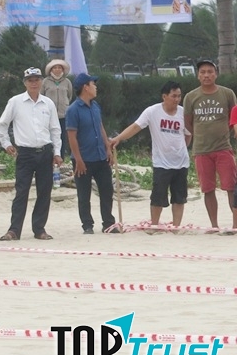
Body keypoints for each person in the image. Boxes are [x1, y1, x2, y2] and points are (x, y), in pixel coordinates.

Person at [110, 81, 191, 227]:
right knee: (158, 196)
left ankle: (177, 226)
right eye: (174, 96)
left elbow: (188, 134)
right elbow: (136, 127)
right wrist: (119, 138)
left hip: (181, 162)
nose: (177, 99)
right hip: (161, 162)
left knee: (179, 197)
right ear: (164, 96)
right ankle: (154, 225)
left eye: (179, 96)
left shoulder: (183, 113)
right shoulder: (152, 111)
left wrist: (181, 148)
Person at [0, 68, 62, 241]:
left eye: (37, 79)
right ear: (25, 82)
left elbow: (55, 129)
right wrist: (7, 144)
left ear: (41, 81)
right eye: (30, 80)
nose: (34, 83)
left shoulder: (48, 103)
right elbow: (2, 124)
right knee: (21, 191)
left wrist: (57, 152)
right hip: (25, 152)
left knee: (44, 192)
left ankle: (39, 229)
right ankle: (14, 230)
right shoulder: (15, 101)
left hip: (45, 151)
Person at [185, 59, 237, 229]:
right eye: (203, 72)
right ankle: (214, 225)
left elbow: (233, 118)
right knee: (208, 189)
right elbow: (188, 123)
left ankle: (235, 224)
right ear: (198, 75)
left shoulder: (227, 94)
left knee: (231, 187)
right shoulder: (190, 97)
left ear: (216, 74)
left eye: (210, 71)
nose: (206, 75)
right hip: (201, 150)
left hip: (223, 148)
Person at [66, 73, 119, 234]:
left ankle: (108, 222)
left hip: (100, 157)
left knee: (107, 190)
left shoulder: (95, 106)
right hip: (84, 159)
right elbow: (72, 136)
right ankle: (87, 225)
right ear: (85, 87)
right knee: (84, 194)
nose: (96, 87)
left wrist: (107, 147)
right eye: (93, 84)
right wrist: (78, 159)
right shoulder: (73, 110)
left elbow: (100, 127)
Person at [41, 59, 73, 158]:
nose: (57, 69)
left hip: (63, 115)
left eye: (59, 67)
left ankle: (61, 158)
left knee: (62, 137)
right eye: (55, 67)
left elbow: (69, 95)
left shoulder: (67, 82)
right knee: (49, 137)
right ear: (51, 69)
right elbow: (41, 95)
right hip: (48, 115)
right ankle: (49, 157)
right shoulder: (45, 82)